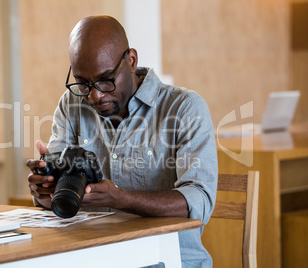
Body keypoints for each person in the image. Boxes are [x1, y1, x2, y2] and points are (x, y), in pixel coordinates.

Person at [26, 15, 218, 267]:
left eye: (106, 79)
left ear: (131, 60)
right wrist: (44, 189)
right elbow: (58, 199)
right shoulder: (72, 104)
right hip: (93, 259)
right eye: (83, 83)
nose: (95, 95)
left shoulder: (184, 108)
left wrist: (121, 199)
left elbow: (199, 202)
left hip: (168, 261)